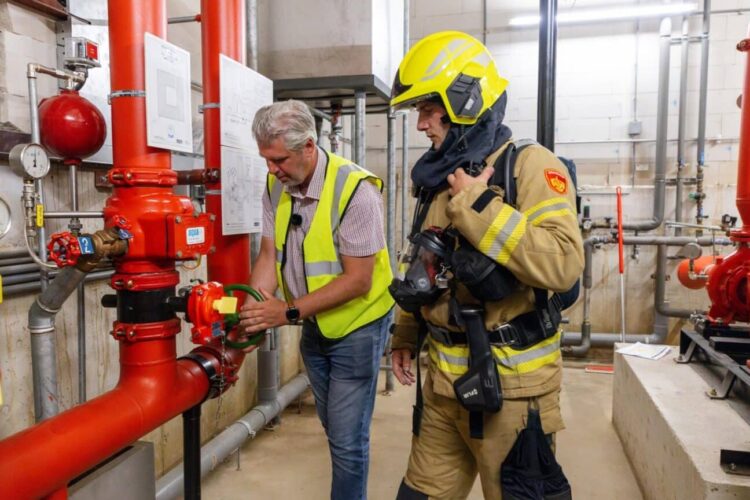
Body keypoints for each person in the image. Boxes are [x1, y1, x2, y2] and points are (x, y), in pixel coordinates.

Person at [388, 31, 584, 499]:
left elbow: (563, 264)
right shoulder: (438, 177)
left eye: (428, 110)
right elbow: (425, 261)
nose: (421, 125)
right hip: (442, 386)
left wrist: (477, 207)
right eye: (418, 111)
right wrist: (406, 333)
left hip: (514, 393)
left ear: (466, 102)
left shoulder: (530, 166)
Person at [239, 99, 394, 500]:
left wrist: (285, 311)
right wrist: (255, 308)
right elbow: (269, 256)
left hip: (357, 326)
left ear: (308, 146)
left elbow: (359, 281)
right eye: (266, 159)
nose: (271, 169)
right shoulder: (278, 184)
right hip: (316, 323)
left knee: (346, 440)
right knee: (334, 427)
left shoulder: (356, 190)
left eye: (278, 159)